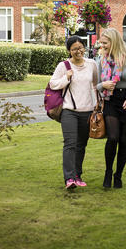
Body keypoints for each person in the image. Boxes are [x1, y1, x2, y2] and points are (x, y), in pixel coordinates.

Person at [49, 35, 98, 190]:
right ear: (69, 51)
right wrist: (66, 78)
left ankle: (77, 175)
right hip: (69, 110)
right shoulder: (64, 66)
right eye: (74, 49)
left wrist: (98, 104)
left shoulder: (91, 64)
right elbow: (52, 83)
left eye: (80, 47)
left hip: (87, 110)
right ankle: (69, 178)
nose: (78, 51)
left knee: (81, 145)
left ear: (84, 47)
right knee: (70, 144)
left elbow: (96, 85)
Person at [97, 28, 126, 189]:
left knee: (124, 139)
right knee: (113, 137)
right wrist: (103, 85)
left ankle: (118, 175)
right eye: (101, 43)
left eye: (105, 43)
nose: (102, 46)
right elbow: (96, 85)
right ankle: (108, 172)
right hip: (111, 99)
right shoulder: (102, 59)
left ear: (114, 41)